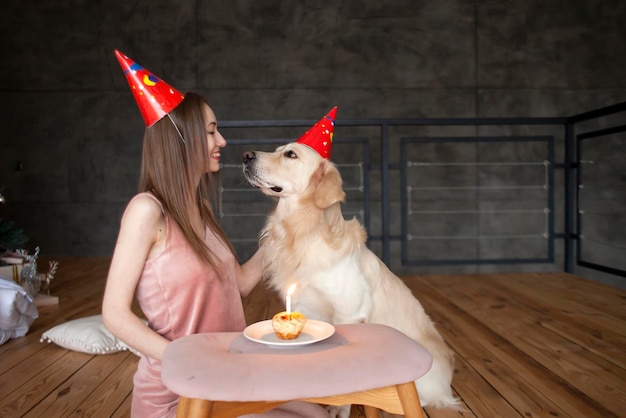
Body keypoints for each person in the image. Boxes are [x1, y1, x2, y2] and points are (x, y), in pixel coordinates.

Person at [102, 50, 330, 418]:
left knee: (320, 413)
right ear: (181, 138)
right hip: (181, 392)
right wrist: (186, 356)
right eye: (210, 132)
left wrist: (289, 227)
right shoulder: (147, 211)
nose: (222, 141)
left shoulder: (200, 209)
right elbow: (114, 314)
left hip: (230, 377)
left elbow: (238, 284)